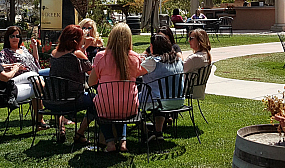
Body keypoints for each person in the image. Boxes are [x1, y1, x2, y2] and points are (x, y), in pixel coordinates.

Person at [90, 23, 147, 153]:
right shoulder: (135, 57)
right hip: (130, 107)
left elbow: (91, 82)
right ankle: (123, 141)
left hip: (106, 107)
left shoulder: (101, 56)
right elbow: (139, 73)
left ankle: (110, 142)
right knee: (121, 103)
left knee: (103, 105)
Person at [0, 31, 47, 129]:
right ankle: (47, 114)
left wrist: (9, 66)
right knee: (37, 86)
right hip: (7, 94)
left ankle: (42, 119)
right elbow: (5, 77)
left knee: (33, 76)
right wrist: (15, 69)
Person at [49, 24, 95, 144]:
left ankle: (61, 128)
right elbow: (92, 72)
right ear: (76, 40)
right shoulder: (77, 55)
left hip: (53, 99)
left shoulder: (54, 53)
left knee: (60, 91)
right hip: (73, 99)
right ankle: (80, 133)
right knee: (98, 101)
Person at [140, 34, 184, 141]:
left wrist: (140, 61)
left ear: (153, 47)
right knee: (158, 96)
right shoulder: (178, 60)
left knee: (130, 100)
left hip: (158, 102)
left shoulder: (152, 62)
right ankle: (158, 132)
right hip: (178, 101)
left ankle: (146, 131)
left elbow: (134, 73)